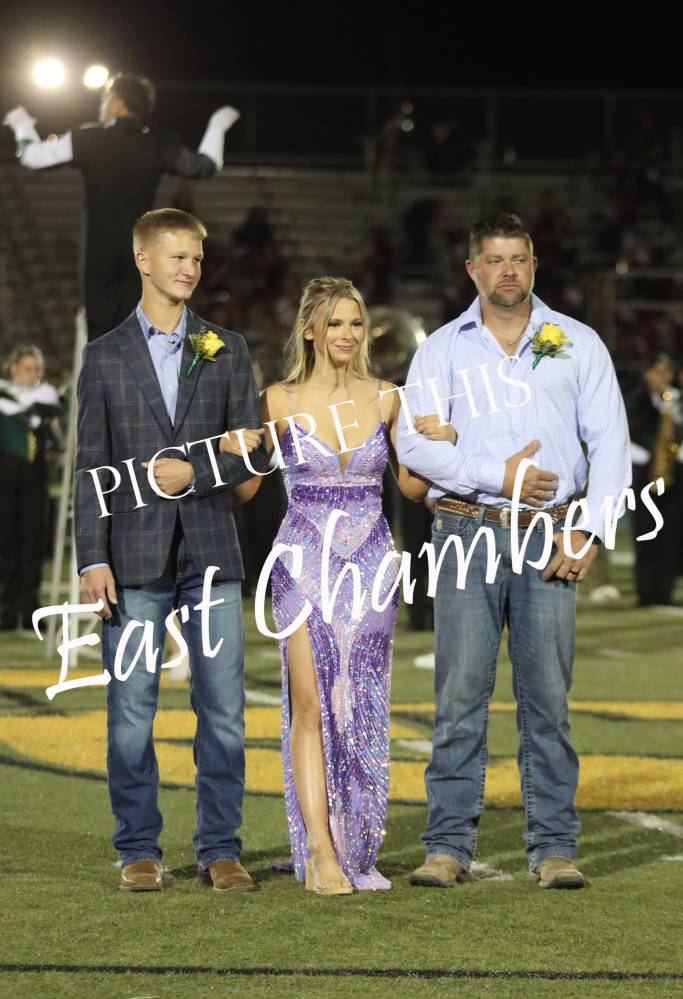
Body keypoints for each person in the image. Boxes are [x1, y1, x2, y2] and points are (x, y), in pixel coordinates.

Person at [397, 213, 631, 890]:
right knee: (458, 697)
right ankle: (446, 846)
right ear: (472, 269)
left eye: (518, 259)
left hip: (550, 533)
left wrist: (590, 530)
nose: (508, 271)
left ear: (534, 265)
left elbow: (610, 442)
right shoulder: (441, 349)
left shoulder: (579, 342)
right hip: (464, 528)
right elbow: (412, 446)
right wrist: (493, 475)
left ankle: (553, 847)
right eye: (494, 260)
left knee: (548, 700)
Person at [221, 277, 454, 894]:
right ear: (309, 330)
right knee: (309, 705)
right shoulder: (277, 400)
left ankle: (355, 843)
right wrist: (234, 449)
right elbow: (246, 492)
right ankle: (322, 852)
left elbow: (412, 488)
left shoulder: (388, 397)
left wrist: (445, 445)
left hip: (373, 565)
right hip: (302, 565)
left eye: (356, 323)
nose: (348, 334)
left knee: (360, 705)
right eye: (335, 323)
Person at [74, 207, 267, 893]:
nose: (190, 268)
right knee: (132, 713)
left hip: (211, 552)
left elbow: (252, 453)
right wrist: (91, 559)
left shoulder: (228, 348)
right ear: (143, 260)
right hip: (130, 558)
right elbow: (90, 467)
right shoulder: (103, 355)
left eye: (197, 258)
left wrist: (198, 470)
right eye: (177, 256)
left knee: (224, 711)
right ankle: (137, 848)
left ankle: (221, 847)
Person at [4, 73, 239, 339]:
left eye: (105, 99)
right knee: (138, 330)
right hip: (140, 250)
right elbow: (205, 166)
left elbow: (32, 156)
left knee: (99, 333)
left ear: (117, 103)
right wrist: (218, 126)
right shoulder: (159, 143)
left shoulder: (88, 138)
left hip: (99, 250)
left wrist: (22, 124)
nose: (103, 105)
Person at [0, 345, 60, 631]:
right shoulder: (4, 392)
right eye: (27, 369)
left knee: (32, 542)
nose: (34, 374)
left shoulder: (44, 394)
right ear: (13, 368)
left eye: (37, 369)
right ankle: (7, 608)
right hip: (4, 478)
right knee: (6, 542)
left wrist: (25, 404)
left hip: (34, 479)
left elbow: (50, 407)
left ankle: (30, 608)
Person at [626, 353, 683, 606]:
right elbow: (627, 434)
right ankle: (645, 591)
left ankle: (665, 591)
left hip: (672, 473)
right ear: (647, 373)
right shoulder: (635, 399)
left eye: (667, 372)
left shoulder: (676, 400)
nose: (663, 377)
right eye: (658, 371)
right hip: (643, 473)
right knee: (645, 532)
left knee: (670, 533)